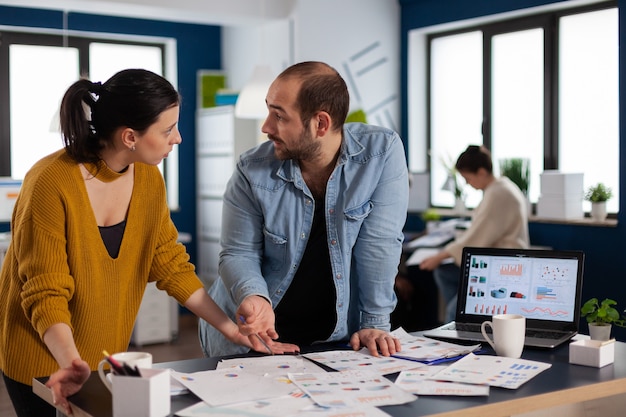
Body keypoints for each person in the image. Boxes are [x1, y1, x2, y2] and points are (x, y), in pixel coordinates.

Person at [0, 68, 296, 417]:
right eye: (167, 129)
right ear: (130, 137)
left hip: (104, 358)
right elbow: (45, 290)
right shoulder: (50, 182)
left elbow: (170, 264)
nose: (178, 138)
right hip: (44, 358)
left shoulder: (149, 179)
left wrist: (232, 330)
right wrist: (70, 362)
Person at [199, 61, 409, 358]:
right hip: (253, 334)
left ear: (320, 124)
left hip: (333, 337)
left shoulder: (380, 153)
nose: (266, 127)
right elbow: (238, 252)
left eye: (279, 116)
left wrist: (375, 322)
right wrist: (254, 297)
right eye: (268, 110)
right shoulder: (252, 170)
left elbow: (380, 243)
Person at [420, 145, 530, 323]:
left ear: (481, 172)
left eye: (467, 178)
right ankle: (464, 318)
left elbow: (478, 237)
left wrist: (440, 255)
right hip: (496, 261)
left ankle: (459, 317)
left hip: (503, 268)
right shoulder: (499, 188)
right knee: (443, 272)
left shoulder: (499, 193)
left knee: (452, 310)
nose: (467, 184)